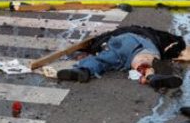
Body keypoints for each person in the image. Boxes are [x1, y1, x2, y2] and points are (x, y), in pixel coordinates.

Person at [57, 25, 187, 89]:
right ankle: (150, 76)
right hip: (138, 43)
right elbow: (179, 42)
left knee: (102, 60)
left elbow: (93, 44)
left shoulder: (113, 33)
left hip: (114, 45)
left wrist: (94, 48)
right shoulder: (152, 33)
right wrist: (171, 53)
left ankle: (84, 70)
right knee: (143, 59)